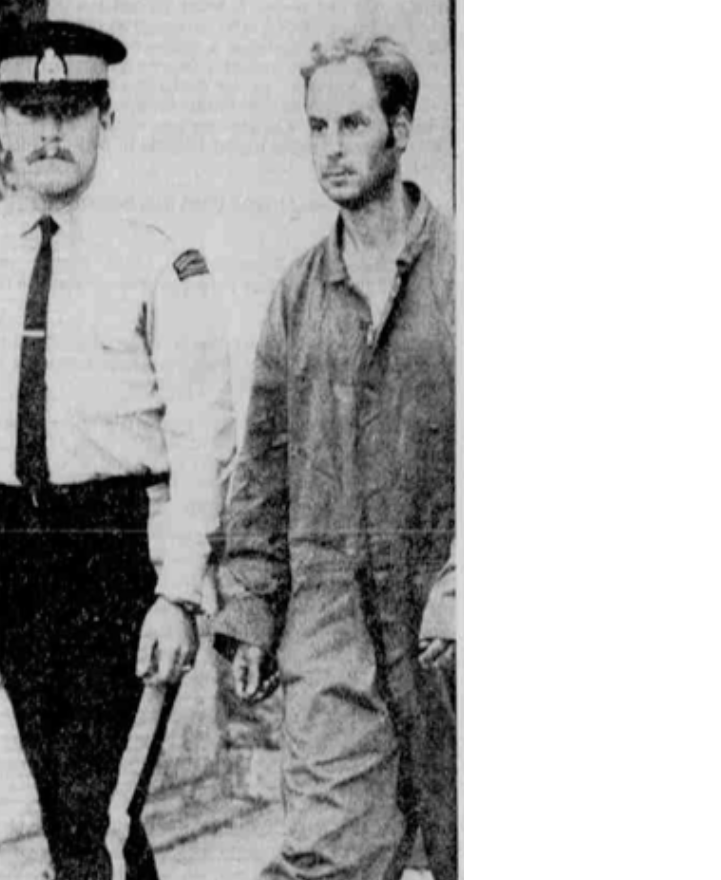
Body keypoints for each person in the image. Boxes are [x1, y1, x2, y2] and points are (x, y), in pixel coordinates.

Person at [0, 19, 235, 880]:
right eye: (29, 108)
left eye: (72, 108)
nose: (49, 131)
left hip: (116, 553)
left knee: (97, 813)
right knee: (78, 820)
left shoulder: (156, 260)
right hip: (13, 551)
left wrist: (180, 593)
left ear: (106, 117)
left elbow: (203, 432)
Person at [212, 34, 459, 880]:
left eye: (352, 123)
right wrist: (249, 608)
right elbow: (263, 466)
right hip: (331, 636)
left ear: (401, 125)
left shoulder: (464, 276)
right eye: (317, 128)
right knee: (324, 861)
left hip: (448, 632)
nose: (332, 148)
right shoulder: (297, 293)